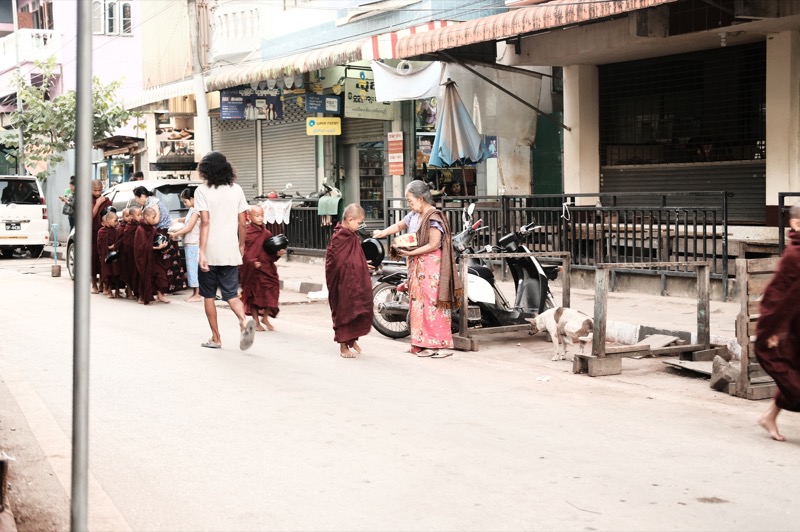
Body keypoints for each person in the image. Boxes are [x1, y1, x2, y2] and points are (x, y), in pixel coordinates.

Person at [373, 180, 461, 358]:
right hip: (416, 266)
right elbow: (399, 226)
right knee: (416, 303)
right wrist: (383, 233)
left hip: (431, 267)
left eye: (410, 200)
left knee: (432, 304)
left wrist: (409, 253)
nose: (409, 204)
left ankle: (437, 346)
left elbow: (433, 244)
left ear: (421, 199)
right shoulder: (414, 215)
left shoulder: (434, 217)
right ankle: (419, 343)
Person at [194, 151, 256, 350]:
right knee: (231, 294)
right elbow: (242, 222)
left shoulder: (202, 191)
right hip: (230, 250)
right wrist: (241, 245)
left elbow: (205, 222)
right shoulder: (236, 189)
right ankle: (244, 319)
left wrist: (202, 252)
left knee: (209, 295)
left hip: (210, 251)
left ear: (205, 170)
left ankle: (216, 338)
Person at [755, 202, 800, 441]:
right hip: (788, 327)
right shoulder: (794, 255)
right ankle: (769, 416)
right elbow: (778, 297)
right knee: (794, 379)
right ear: (796, 224)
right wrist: (773, 330)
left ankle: (769, 416)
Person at [325, 204, 374, 358]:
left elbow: (353, 256)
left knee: (357, 307)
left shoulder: (352, 235)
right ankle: (343, 346)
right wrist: (358, 263)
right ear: (350, 219)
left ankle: (352, 339)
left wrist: (362, 262)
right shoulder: (339, 237)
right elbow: (336, 261)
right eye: (359, 223)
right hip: (342, 282)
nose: (361, 226)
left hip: (353, 279)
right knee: (345, 309)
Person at [133, 186, 185, 293]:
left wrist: (143, 220)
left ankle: (165, 288)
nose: (136, 201)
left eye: (136, 198)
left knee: (164, 262)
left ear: (142, 196)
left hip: (162, 231)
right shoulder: (148, 203)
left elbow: (155, 220)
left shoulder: (153, 202)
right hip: (158, 232)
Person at [240, 205, 284, 331]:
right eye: (257, 216)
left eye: (262, 215)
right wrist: (251, 262)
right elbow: (243, 252)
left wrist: (278, 253)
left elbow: (270, 252)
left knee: (272, 291)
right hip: (253, 271)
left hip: (267, 268)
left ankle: (265, 317)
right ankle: (256, 321)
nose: (260, 218)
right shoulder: (247, 233)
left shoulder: (267, 233)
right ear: (249, 217)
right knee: (254, 296)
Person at [169, 188, 202, 302]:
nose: (184, 204)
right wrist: (178, 220)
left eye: (185, 201)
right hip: (189, 243)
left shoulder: (196, 211)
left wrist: (176, 234)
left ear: (192, 199)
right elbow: (186, 220)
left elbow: (189, 227)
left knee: (193, 270)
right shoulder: (192, 210)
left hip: (194, 243)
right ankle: (195, 293)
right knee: (191, 269)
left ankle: (197, 294)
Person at [133, 206, 171, 305]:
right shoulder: (141, 229)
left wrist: (163, 247)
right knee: (145, 277)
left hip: (154, 257)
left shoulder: (152, 228)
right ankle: (142, 297)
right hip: (144, 259)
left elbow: (154, 241)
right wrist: (156, 248)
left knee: (160, 274)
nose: (155, 220)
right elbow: (141, 247)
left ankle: (160, 295)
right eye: (153, 217)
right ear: (146, 216)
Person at [91, 180, 113, 294]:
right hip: (92, 233)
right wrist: (98, 204)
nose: (98, 192)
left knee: (103, 259)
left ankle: (103, 284)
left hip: (104, 233)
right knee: (93, 259)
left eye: (100, 190)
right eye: (95, 190)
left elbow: (110, 216)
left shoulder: (106, 201)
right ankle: (94, 284)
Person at [97, 211, 121, 299]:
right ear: (108, 220)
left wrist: (115, 246)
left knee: (116, 272)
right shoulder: (102, 232)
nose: (117, 222)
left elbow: (119, 241)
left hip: (115, 255)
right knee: (107, 273)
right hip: (106, 255)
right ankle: (109, 290)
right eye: (115, 220)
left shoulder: (116, 230)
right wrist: (108, 248)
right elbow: (100, 244)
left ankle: (117, 291)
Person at [122, 206, 142, 300]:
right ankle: (131, 291)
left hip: (139, 253)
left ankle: (139, 292)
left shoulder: (141, 225)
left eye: (141, 214)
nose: (141, 217)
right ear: (131, 217)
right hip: (130, 254)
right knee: (131, 272)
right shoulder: (129, 227)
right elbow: (127, 242)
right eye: (138, 215)